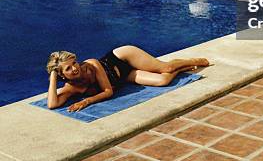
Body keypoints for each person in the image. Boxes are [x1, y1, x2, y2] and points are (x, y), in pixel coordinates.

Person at [47, 46, 210, 113]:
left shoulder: (91, 64)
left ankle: (192, 61)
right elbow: (52, 104)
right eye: (68, 68)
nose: (75, 68)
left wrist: (87, 101)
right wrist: (53, 77)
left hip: (123, 57)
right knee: (163, 81)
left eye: (74, 63)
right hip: (125, 77)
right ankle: (181, 67)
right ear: (62, 75)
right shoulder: (70, 88)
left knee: (165, 68)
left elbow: (108, 91)